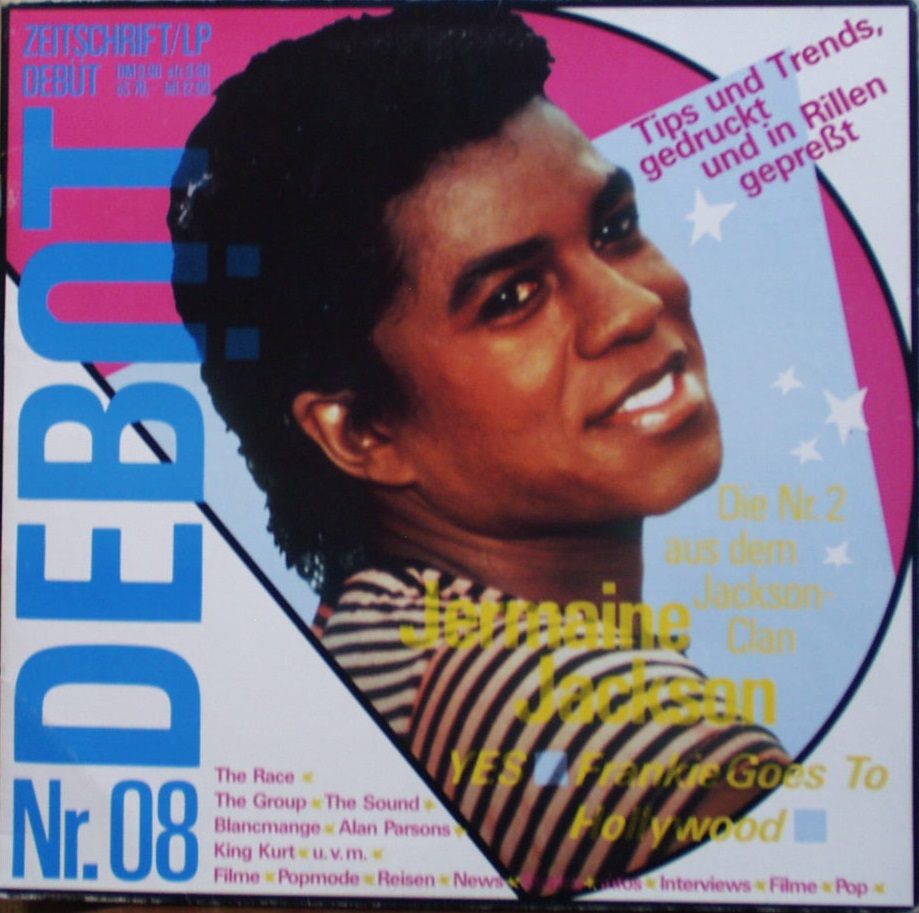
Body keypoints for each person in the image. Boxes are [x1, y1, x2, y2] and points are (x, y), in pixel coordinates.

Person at [169, 6, 789, 897]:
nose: (631, 307)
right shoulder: (663, 755)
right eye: (511, 296)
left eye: (614, 227)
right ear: (360, 431)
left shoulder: (375, 644)